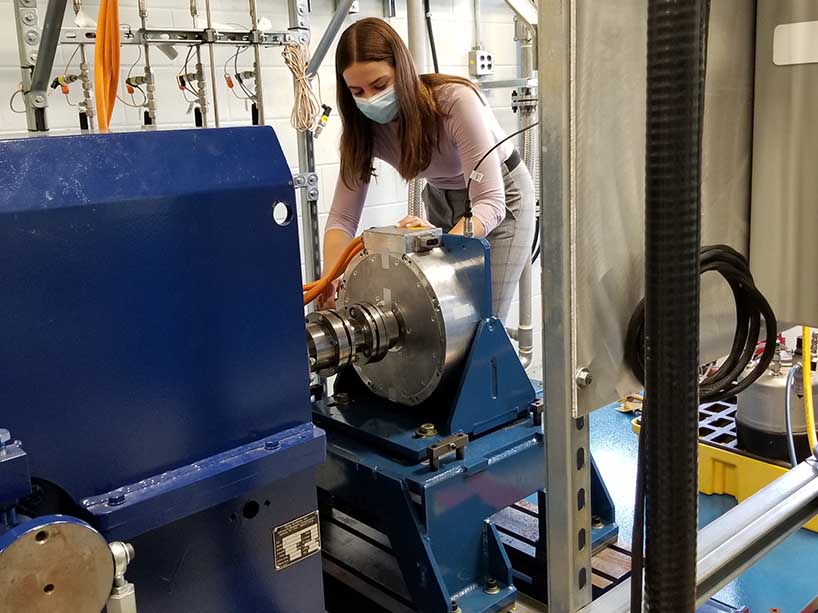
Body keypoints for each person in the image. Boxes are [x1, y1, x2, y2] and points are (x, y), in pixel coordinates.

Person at [320, 17, 535, 322]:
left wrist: (438, 244)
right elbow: (342, 218)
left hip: (501, 197)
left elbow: (490, 203)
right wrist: (330, 278)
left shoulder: (454, 101)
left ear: (403, 71)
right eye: (358, 91)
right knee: (446, 322)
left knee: (482, 323)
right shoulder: (362, 131)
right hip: (440, 197)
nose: (370, 98)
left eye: (379, 85)